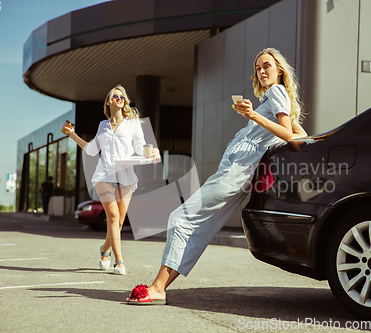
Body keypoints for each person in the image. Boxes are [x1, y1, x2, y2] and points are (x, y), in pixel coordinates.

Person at [127, 48, 308, 305]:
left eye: (267, 66)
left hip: (238, 170)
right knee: (202, 227)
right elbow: (300, 135)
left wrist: (253, 116)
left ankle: (157, 287)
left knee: (181, 217)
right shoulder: (274, 99)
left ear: (279, 70)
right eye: (258, 68)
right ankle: (159, 288)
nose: (262, 71)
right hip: (239, 170)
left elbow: (288, 134)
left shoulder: (277, 93)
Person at [65, 85, 160, 275]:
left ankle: (105, 249)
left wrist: (153, 152)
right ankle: (119, 261)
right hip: (104, 175)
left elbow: (141, 147)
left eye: (122, 97)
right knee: (113, 216)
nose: (119, 98)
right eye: (115, 96)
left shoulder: (133, 124)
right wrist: (72, 134)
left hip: (126, 175)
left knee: (119, 221)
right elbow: (92, 150)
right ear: (108, 101)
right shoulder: (103, 125)